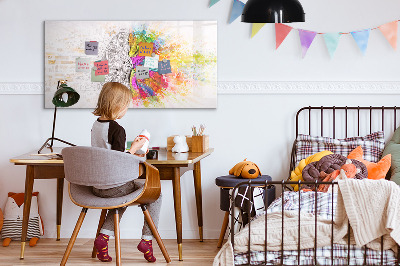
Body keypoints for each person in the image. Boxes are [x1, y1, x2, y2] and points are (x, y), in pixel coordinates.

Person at [91, 82, 161, 263]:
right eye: (126, 106)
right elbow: (119, 160)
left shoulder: (96, 125)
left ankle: (103, 238)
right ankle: (147, 240)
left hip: (97, 186)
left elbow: (108, 154)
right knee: (156, 194)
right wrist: (136, 148)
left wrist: (130, 149)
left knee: (121, 197)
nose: (126, 110)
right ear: (118, 105)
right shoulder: (117, 129)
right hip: (114, 186)